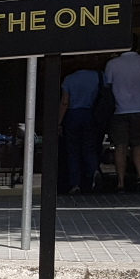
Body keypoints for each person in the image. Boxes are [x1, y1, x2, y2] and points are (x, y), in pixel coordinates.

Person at [104, 37, 140, 190]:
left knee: (120, 146)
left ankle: (120, 181)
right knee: (138, 144)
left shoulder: (112, 64)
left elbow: (107, 88)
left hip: (118, 110)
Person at [58, 59, 101, 194]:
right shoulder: (98, 76)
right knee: (89, 147)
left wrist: (58, 122)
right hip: (90, 112)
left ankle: (75, 184)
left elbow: (65, 102)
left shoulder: (69, 79)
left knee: (73, 150)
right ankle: (94, 170)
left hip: (73, 114)